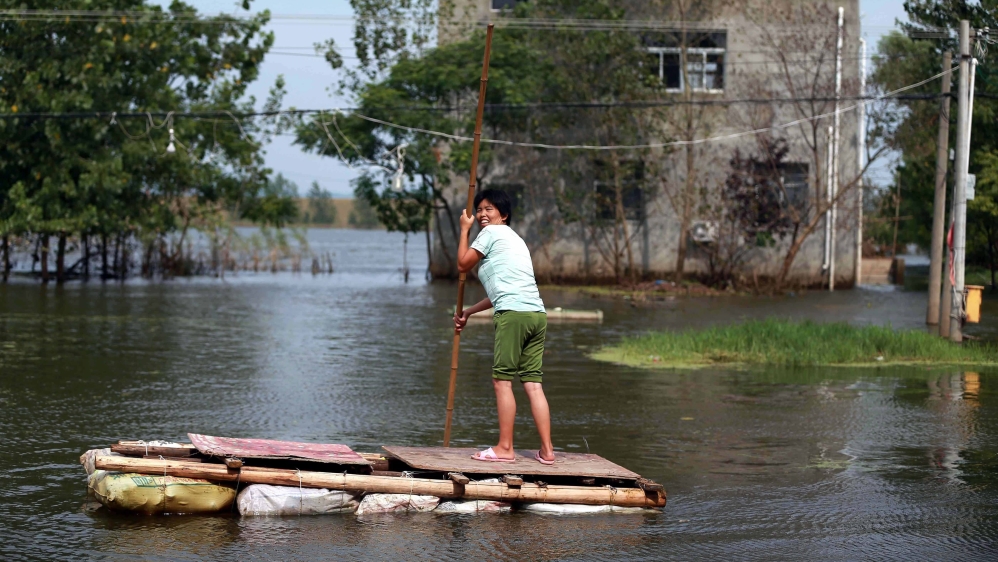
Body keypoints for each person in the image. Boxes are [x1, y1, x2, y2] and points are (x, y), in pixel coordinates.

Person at [454, 188, 556, 465]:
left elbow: (463, 265)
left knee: (502, 381)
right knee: (533, 384)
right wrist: (470, 312)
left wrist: (464, 230)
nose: (482, 215)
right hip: (536, 314)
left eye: (489, 209)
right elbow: (502, 291)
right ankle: (547, 452)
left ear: (504, 214)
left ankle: (505, 448)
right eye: (479, 210)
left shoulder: (489, 235)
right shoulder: (515, 240)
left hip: (513, 315)